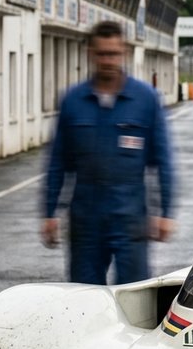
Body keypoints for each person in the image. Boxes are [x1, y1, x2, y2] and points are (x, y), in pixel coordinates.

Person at [42, 21, 176, 284]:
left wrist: (166, 212)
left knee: (135, 299)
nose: (107, 60)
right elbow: (57, 163)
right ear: (91, 53)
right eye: (102, 54)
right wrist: (49, 213)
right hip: (85, 221)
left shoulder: (145, 99)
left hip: (130, 219)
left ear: (123, 52)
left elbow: (163, 161)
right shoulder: (73, 101)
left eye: (113, 53)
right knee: (85, 300)